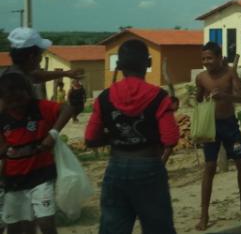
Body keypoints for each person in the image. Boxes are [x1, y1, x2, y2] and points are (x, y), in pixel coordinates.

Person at [85, 39, 179, 234]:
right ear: (148, 64)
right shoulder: (159, 97)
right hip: (149, 166)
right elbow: (170, 138)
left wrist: (113, 137)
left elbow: (91, 139)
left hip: (116, 168)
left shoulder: (104, 98)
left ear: (119, 66)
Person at [195, 42, 241, 231]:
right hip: (211, 128)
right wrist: (204, 98)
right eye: (204, 58)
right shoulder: (201, 77)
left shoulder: (230, 73)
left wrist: (224, 96)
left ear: (219, 57)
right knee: (210, 167)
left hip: (230, 126)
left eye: (210, 58)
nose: (206, 62)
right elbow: (198, 98)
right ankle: (204, 214)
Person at [0, 72, 73, 234]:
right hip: (14, 181)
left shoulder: (39, 108)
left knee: (46, 222)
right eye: (10, 101)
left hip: (41, 176)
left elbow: (67, 108)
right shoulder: (2, 117)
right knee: (17, 226)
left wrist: (53, 134)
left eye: (20, 99)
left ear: (28, 93)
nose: (16, 105)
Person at [3, 28, 84, 100]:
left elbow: (36, 76)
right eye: (40, 55)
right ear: (31, 57)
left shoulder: (18, 73)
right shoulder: (16, 83)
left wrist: (66, 73)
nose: (40, 59)